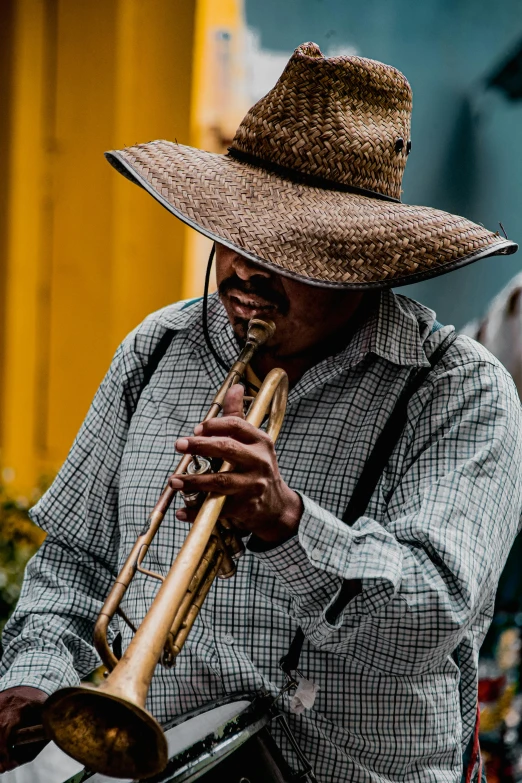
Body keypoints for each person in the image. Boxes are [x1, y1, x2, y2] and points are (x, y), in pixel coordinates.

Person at [0, 42, 521, 783]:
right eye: (234, 233)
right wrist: (35, 676)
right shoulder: (158, 347)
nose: (246, 268)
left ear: (363, 259)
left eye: (288, 249)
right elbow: (74, 564)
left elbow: (433, 620)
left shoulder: (461, 390)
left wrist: (286, 523)